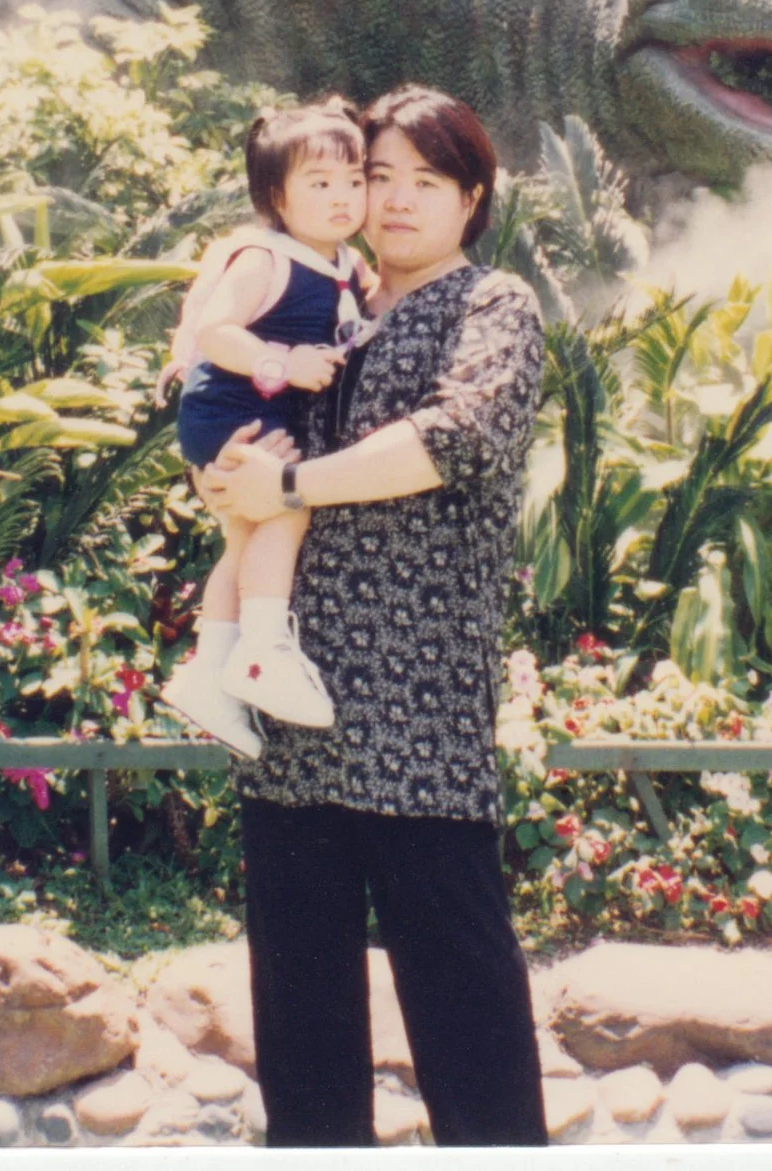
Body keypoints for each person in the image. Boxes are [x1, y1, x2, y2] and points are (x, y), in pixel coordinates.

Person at [197, 84, 550, 1149]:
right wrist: (228, 472)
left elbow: (456, 436)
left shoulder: (492, 305)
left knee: (463, 999)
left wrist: (292, 493)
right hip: (292, 699)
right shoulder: (328, 304)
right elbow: (233, 405)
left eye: (422, 181)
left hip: (415, 708)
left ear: (471, 196)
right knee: (301, 1015)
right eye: (374, 176)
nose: (391, 200)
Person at [158, 99, 373, 758]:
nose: (343, 197)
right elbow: (216, 333)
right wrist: (282, 362)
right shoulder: (263, 257)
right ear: (276, 196)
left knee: (245, 533)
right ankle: (262, 650)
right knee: (284, 511)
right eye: (320, 182)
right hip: (230, 408)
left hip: (261, 410)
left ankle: (210, 669)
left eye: (355, 179)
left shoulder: (345, 262)